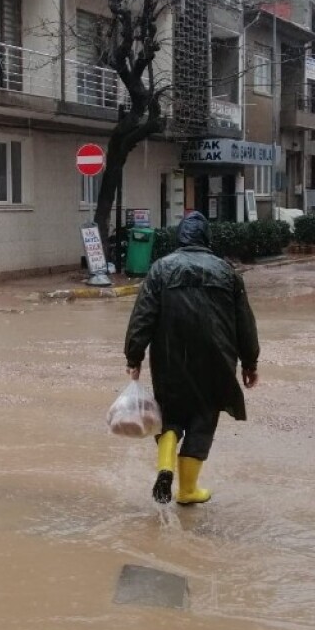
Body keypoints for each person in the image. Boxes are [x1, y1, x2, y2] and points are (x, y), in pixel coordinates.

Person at [124, 211, 259, 505]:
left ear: (180, 237)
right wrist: (251, 362)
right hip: (216, 360)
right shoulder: (227, 272)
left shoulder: (160, 269)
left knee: (169, 415)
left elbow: (143, 317)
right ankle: (187, 490)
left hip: (170, 358)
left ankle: (164, 468)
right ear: (206, 238)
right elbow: (244, 322)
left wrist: (133, 356)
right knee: (203, 418)